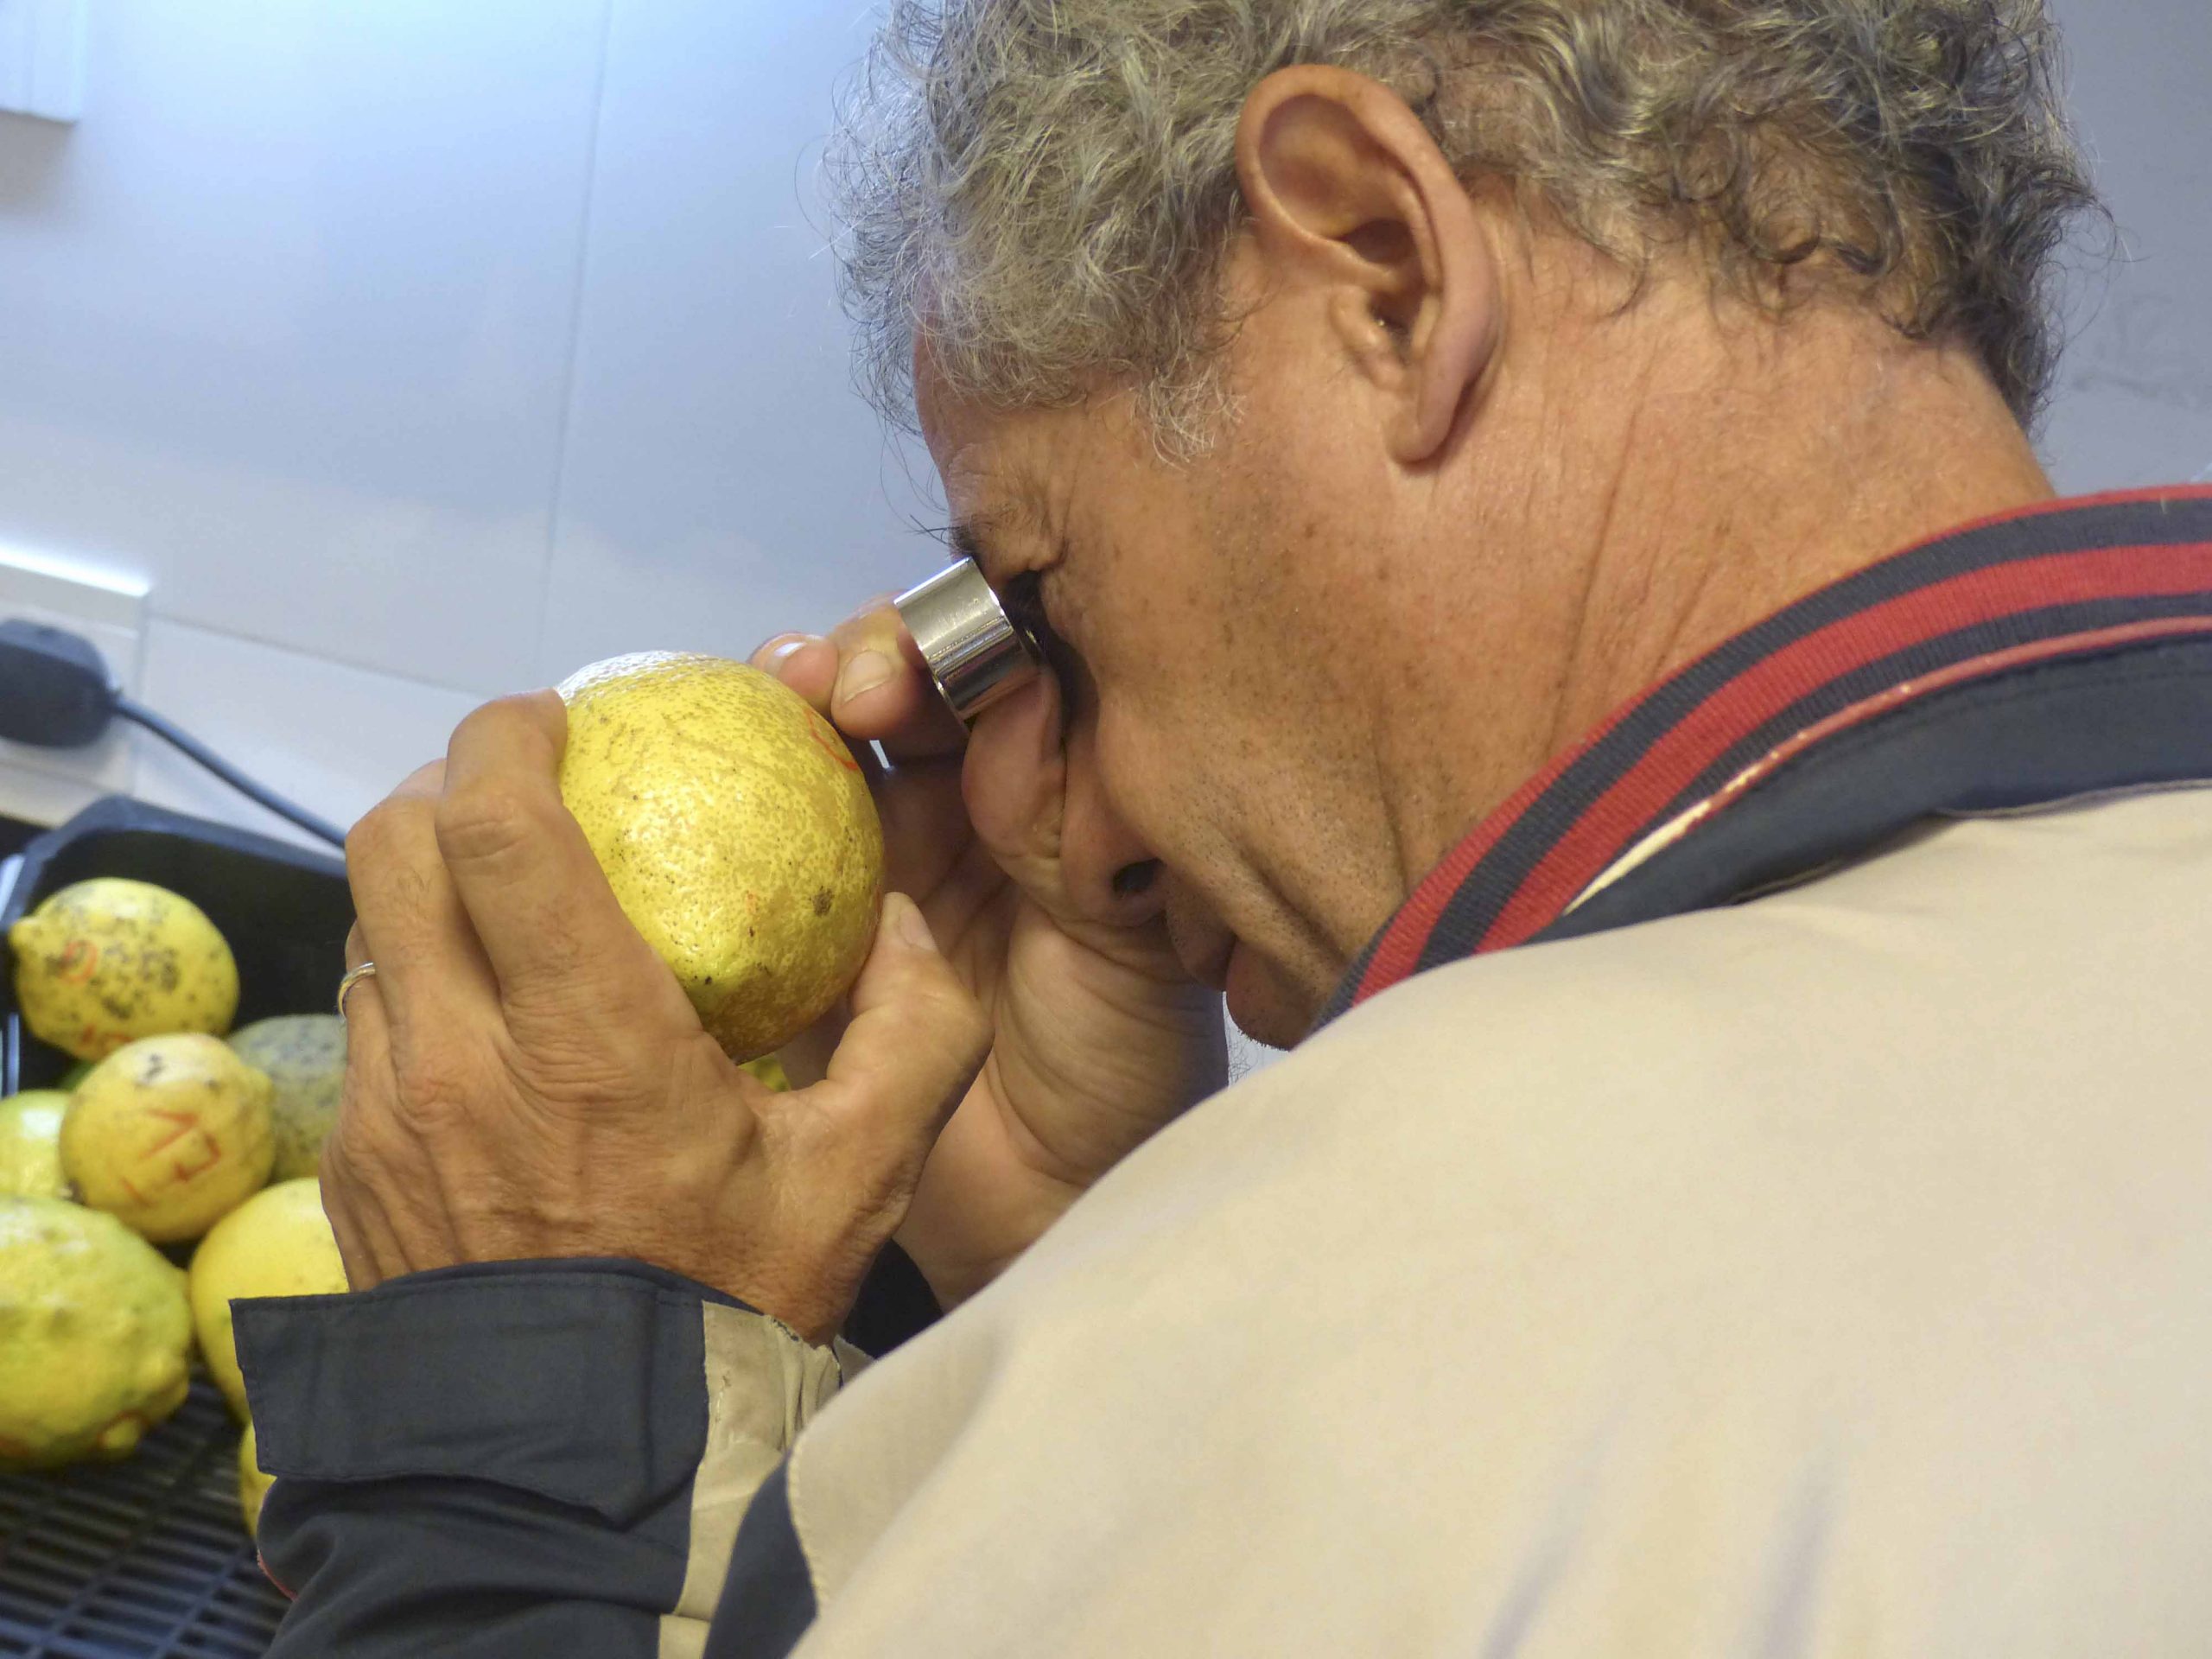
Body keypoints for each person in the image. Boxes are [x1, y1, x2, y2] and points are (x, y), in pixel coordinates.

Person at [238, 2, 2212, 1654]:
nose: (1056, 819)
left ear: (1378, 264)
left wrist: (518, 1433)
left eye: (1040, 602)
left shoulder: (1421, 1288)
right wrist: (1091, 1280)